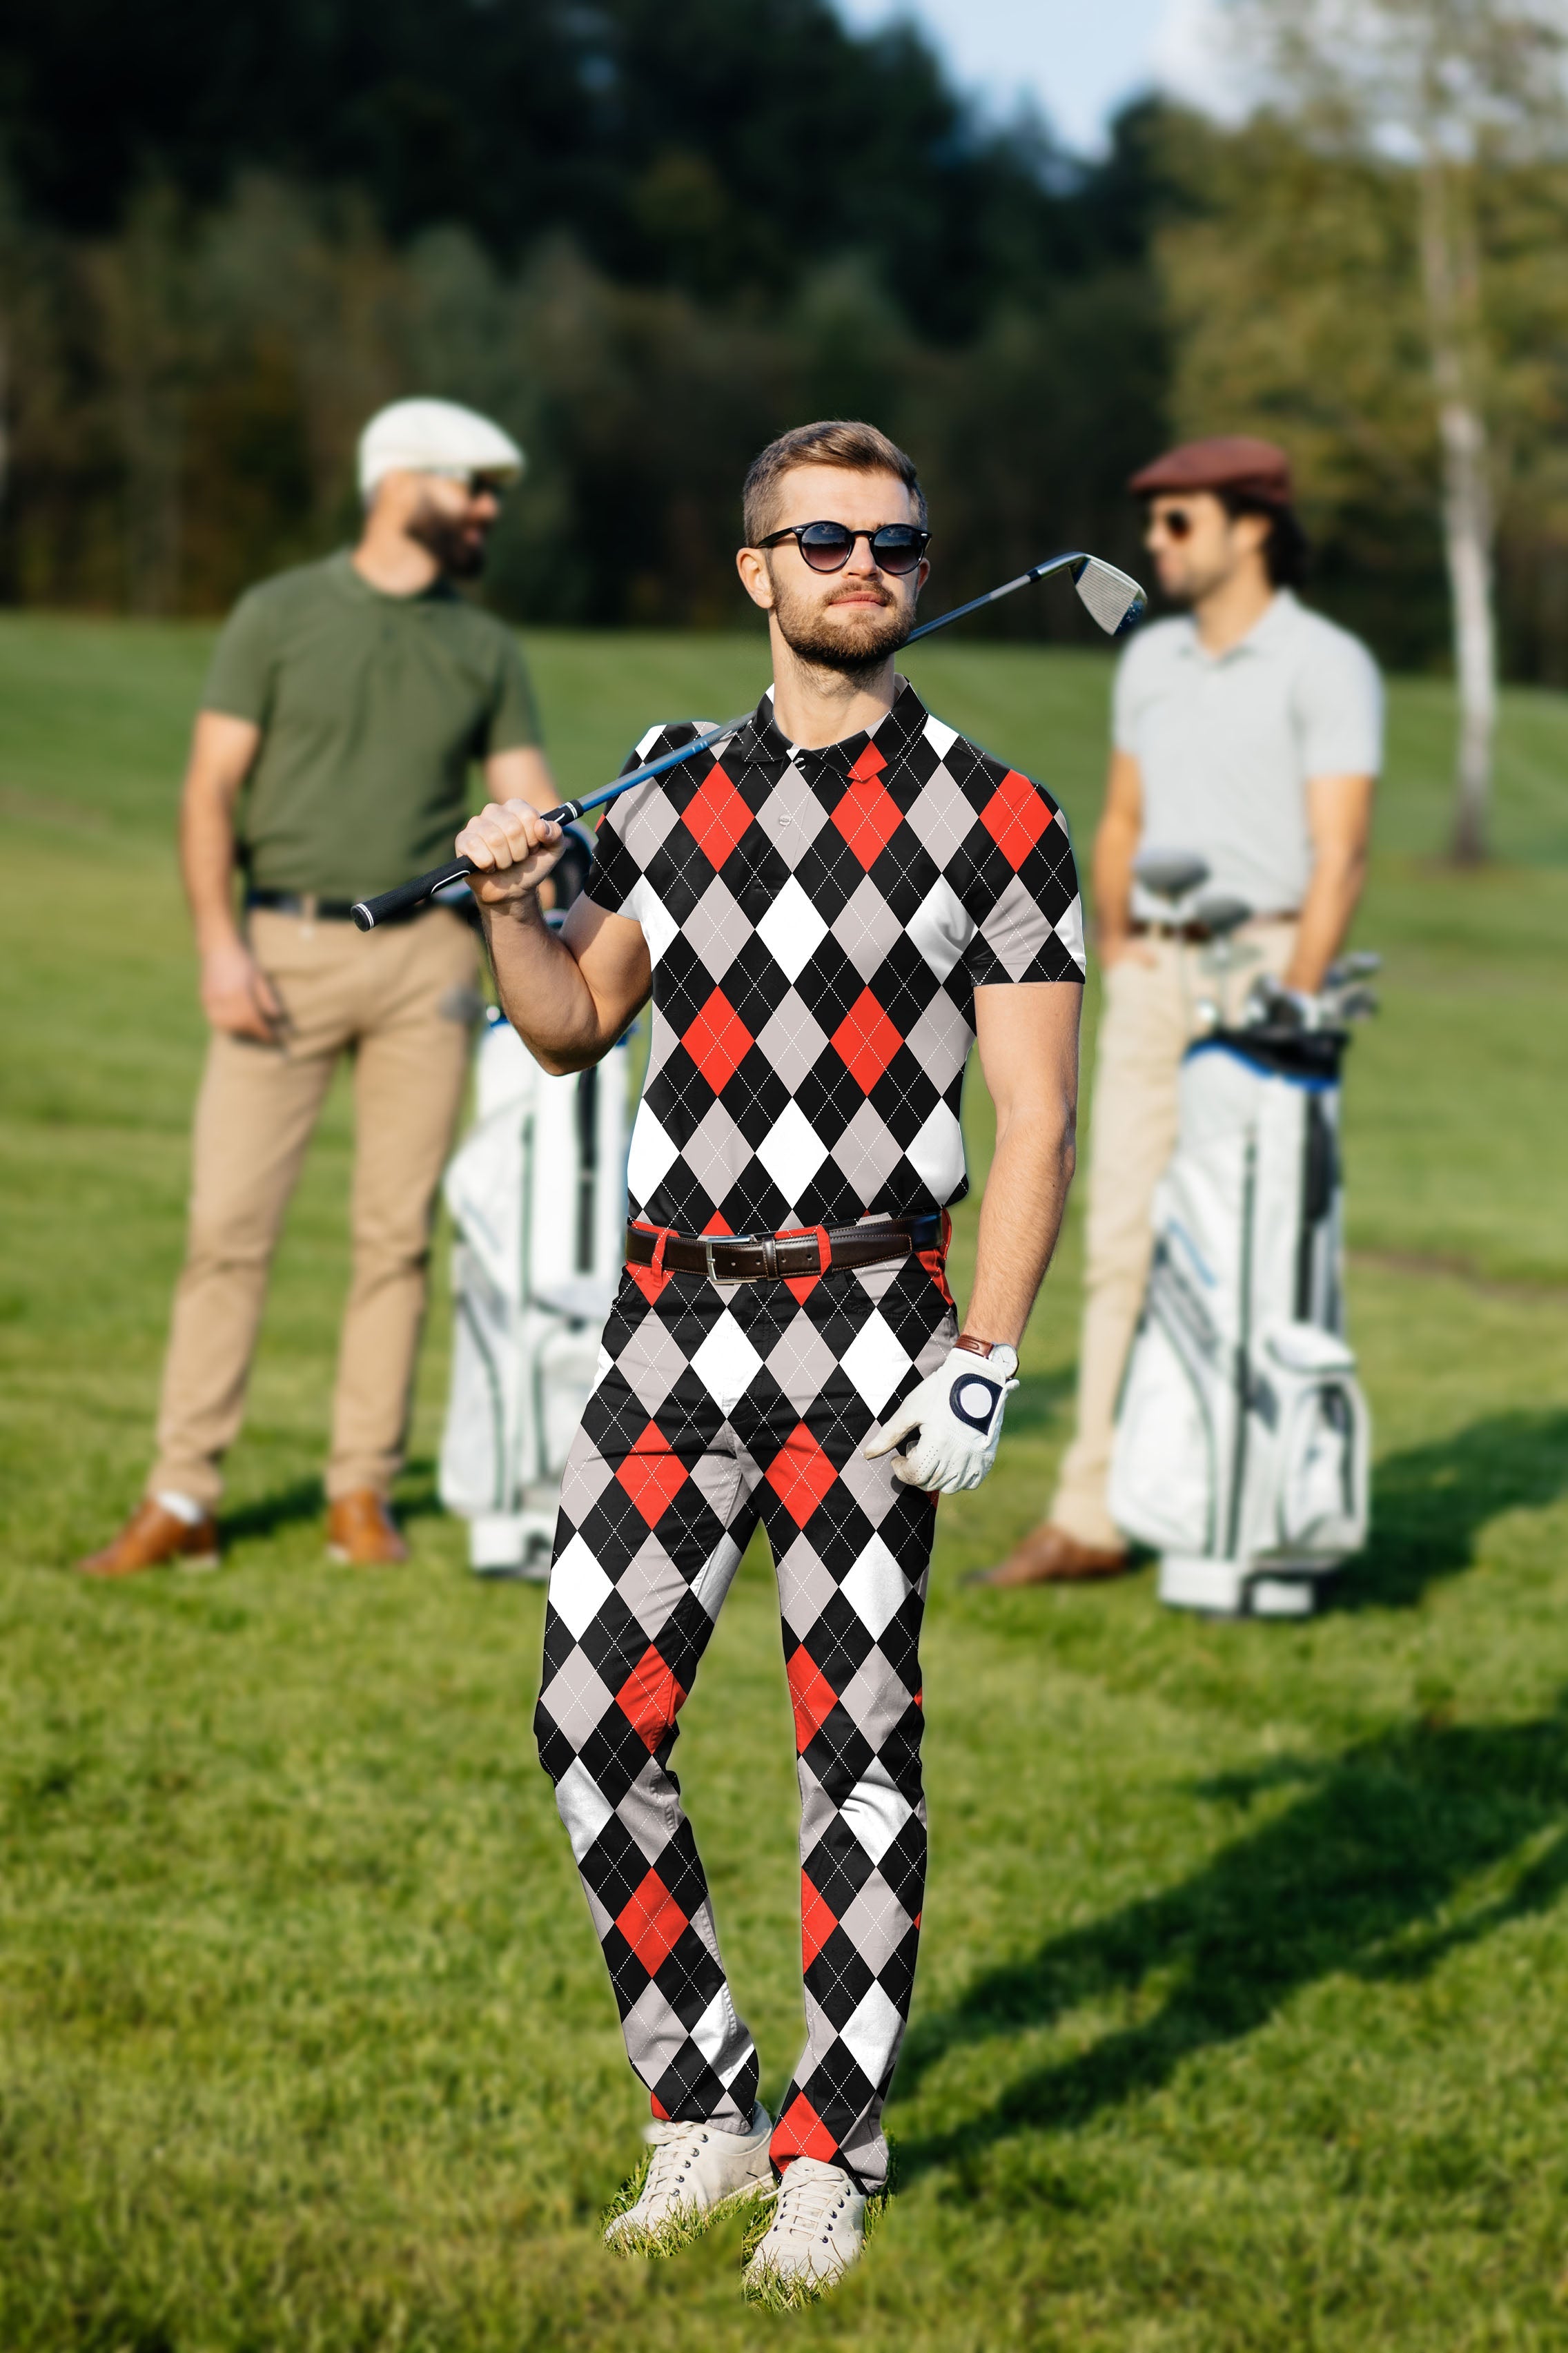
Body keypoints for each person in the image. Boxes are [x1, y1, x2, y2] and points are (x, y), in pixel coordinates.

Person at [453, 420, 1084, 2300]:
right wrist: (508, 900)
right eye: (822, 539)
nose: (863, 564)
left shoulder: (1001, 812)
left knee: (856, 1746)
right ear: (759, 575)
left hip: (877, 1325)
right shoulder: (665, 793)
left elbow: (1038, 1118)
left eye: (893, 538)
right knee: (592, 1713)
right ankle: (703, 2106)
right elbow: (570, 1025)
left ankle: (832, 2149)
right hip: (670, 1323)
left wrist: (988, 1350)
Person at [78, 398, 558, 1577]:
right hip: (279, 950)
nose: (489, 508)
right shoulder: (277, 615)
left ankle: (360, 1496)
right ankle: (184, 1493)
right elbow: (209, 791)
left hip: (430, 966)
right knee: (226, 1230)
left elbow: (535, 801)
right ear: (400, 483)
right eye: (473, 485)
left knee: (394, 1237)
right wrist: (217, 947)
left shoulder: (484, 645)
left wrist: (556, 878)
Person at [981, 434, 1382, 1590]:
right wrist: (1120, 942)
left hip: (1266, 970)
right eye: (1151, 522)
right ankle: (1094, 1512)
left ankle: (1246, 1508)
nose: (1155, 543)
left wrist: (1294, 1003)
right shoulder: (1150, 660)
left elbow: (1342, 854)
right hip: (1154, 973)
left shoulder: (1326, 662)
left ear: (1253, 526)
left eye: (1179, 522)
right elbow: (1120, 821)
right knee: (1117, 1245)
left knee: (1251, 1251)